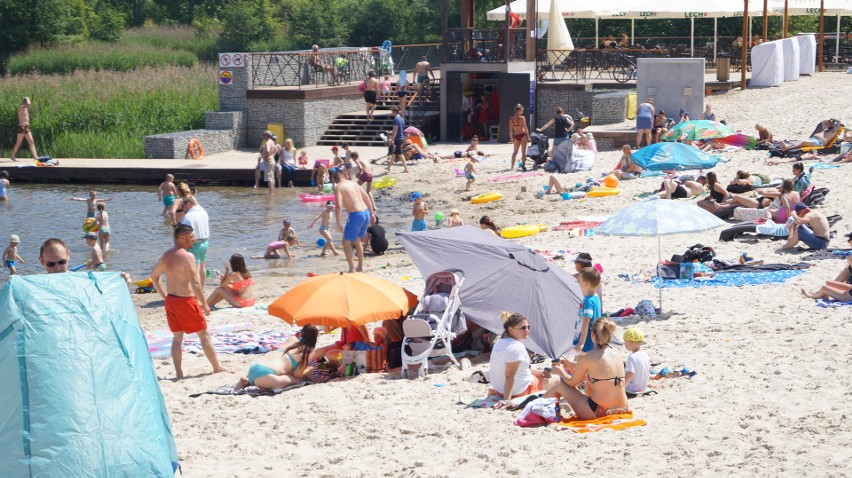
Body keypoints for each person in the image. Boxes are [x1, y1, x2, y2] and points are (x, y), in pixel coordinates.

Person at [150, 224, 224, 380]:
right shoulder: (187, 256)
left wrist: (164, 296)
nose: (194, 240)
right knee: (204, 336)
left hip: (171, 301)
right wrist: (204, 304)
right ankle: (217, 367)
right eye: (191, 237)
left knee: (177, 339)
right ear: (181, 238)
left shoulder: (166, 255)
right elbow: (195, 283)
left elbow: (154, 277)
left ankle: (179, 373)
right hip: (186, 301)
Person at [544, 318, 630, 420]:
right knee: (590, 378)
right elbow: (601, 365)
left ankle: (548, 414)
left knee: (559, 384)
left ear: (592, 334)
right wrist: (574, 364)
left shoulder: (587, 357)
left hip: (599, 411)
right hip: (622, 408)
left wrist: (560, 372)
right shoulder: (617, 353)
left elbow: (572, 383)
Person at [489, 312, 555, 408]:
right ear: (510, 330)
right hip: (518, 391)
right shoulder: (516, 347)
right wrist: (506, 401)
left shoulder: (499, 343)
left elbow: (517, 369)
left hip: (499, 390)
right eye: (523, 328)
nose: (527, 330)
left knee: (544, 376)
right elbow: (509, 376)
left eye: (528, 327)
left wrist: (538, 373)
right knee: (559, 381)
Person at [234, 324, 319, 390]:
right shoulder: (308, 352)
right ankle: (258, 383)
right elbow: (297, 374)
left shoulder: (292, 339)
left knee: (265, 378)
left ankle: (246, 381)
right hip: (266, 375)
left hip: (254, 368)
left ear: (301, 333)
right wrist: (309, 369)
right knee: (295, 381)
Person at [334, 171, 375, 273]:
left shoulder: (338, 186)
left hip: (355, 215)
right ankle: (360, 267)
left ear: (334, 180)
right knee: (357, 241)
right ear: (344, 176)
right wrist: (372, 213)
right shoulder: (354, 183)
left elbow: (338, 206)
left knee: (346, 242)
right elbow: (366, 197)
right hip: (365, 212)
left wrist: (338, 222)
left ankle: (352, 269)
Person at [179, 200, 210, 289]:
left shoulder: (187, 217)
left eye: (183, 206)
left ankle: (195, 291)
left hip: (194, 244)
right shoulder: (202, 212)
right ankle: (202, 288)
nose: (182, 209)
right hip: (204, 242)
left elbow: (186, 234)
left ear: (188, 204)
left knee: (194, 270)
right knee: (202, 268)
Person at [573, 267, 602, 354]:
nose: (578, 283)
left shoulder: (588, 301)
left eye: (579, 281)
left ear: (585, 284)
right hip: (595, 336)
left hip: (588, 339)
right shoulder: (596, 297)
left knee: (583, 361)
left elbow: (586, 322)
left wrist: (581, 343)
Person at [623, 328, 651, 397]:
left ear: (631, 342)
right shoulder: (645, 354)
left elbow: (629, 374)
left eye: (625, 341)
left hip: (632, 389)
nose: (624, 343)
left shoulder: (632, 357)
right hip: (643, 387)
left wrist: (621, 389)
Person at [9, 97, 38, 162]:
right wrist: (27, 98)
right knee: (18, 143)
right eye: (26, 102)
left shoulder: (26, 109)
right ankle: (12, 156)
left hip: (26, 127)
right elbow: (28, 104)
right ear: (25, 102)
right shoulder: (21, 108)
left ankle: (35, 156)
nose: (28, 104)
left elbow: (28, 105)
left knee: (31, 142)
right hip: (21, 127)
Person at [387, 107, 409, 173]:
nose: (391, 113)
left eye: (392, 111)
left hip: (397, 138)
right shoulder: (402, 119)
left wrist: (392, 139)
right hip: (401, 137)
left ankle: (406, 169)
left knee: (400, 154)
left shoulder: (396, 119)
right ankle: (389, 168)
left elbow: (395, 130)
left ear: (394, 112)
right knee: (394, 153)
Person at [509, 104, 529, 171]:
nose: (522, 112)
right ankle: (523, 166)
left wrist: (511, 138)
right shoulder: (522, 118)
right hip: (523, 135)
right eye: (522, 111)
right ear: (518, 111)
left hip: (516, 136)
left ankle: (512, 167)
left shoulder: (511, 118)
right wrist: (528, 137)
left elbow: (511, 130)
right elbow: (525, 128)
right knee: (523, 152)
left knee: (515, 152)